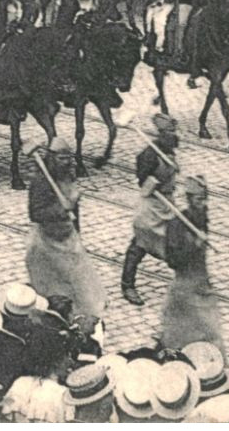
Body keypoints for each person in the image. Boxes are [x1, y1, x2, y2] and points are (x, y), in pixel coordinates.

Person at [25, 137, 105, 320]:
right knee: (55, 279)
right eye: (61, 158)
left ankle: (83, 309)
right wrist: (60, 210)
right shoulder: (41, 182)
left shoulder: (68, 176)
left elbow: (74, 206)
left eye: (68, 158)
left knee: (77, 275)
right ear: (51, 159)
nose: (66, 162)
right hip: (48, 240)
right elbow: (35, 213)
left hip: (68, 235)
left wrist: (77, 229)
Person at [123, 112, 180, 305]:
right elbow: (143, 183)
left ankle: (184, 285)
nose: (173, 136)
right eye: (169, 132)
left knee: (174, 242)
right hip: (151, 205)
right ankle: (127, 284)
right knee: (140, 243)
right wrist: (155, 181)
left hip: (167, 202)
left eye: (174, 131)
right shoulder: (149, 155)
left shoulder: (170, 151)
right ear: (161, 134)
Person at [160, 175, 220, 349]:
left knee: (209, 332)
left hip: (202, 284)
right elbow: (173, 261)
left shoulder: (202, 217)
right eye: (199, 199)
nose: (203, 203)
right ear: (189, 198)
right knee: (178, 336)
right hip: (184, 289)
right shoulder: (176, 225)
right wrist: (194, 245)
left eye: (205, 199)